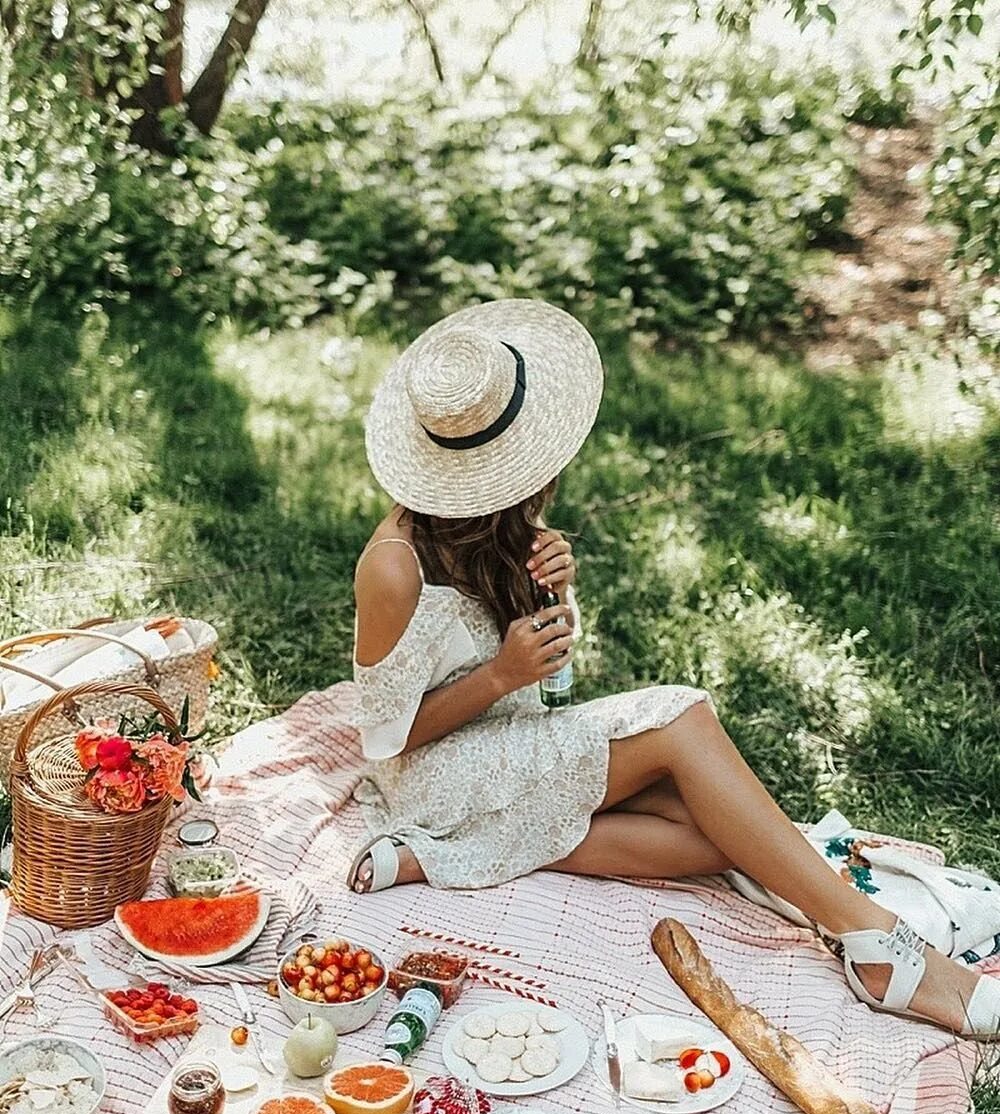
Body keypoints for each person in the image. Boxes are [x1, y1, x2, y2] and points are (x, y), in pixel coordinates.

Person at [349, 297, 999, 1038]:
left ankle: (440, 856)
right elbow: (384, 740)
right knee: (679, 721)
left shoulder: (499, 522)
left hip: (505, 740)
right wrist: (501, 676)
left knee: (720, 836)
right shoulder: (393, 568)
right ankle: (877, 947)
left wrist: (555, 593)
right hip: (432, 773)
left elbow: (555, 680)